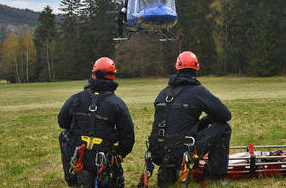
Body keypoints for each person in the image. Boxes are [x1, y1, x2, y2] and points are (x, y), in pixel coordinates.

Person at [148, 51, 232, 187]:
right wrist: (210, 118)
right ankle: (216, 175)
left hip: (158, 152)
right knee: (224, 128)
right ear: (196, 69)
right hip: (181, 150)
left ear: (177, 68)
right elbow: (226, 115)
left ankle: (170, 170)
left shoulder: (163, 93)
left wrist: (203, 122)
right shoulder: (197, 91)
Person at [58, 57, 134, 188]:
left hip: (78, 157)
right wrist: (118, 154)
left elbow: (62, 122)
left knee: (64, 135)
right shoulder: (117, 104)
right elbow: (128, 137)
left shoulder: (76, 99)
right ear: (112, 77)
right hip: (103, 160)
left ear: (93, 75)